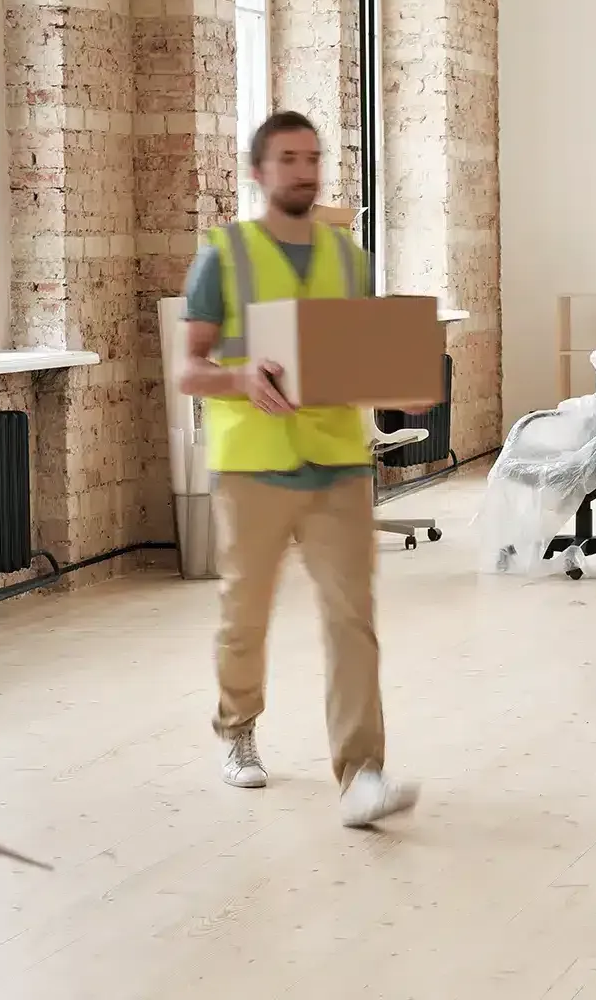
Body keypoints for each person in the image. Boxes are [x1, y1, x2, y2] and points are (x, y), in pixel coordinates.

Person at [176, 110, 418, 828]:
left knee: (353, 621)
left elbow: (365, 357)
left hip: (339, 460)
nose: (304, 170)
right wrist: (242, 377)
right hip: (254, 466)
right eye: (288, 159)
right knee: (244, 619)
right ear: (259, 172)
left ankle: (362, 774)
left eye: (312, 157)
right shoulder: (224, 255)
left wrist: (401, 385)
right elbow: (189, 369)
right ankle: (237, 728)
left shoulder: (352, 258)